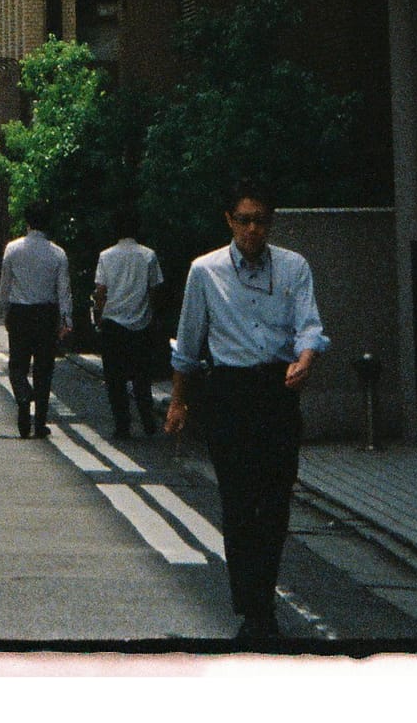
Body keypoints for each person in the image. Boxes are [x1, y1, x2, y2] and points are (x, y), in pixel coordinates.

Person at [165, 184, 327, 646]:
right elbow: (189, 340)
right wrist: (179, 401)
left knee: (274, 505)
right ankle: (253, 609)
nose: (253, 229)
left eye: (261, 220)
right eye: (245, 220)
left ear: (270, 224)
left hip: (277, 390)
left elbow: (310, 323)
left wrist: (307, 356)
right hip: (229, 394)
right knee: (239, 505)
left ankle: (262, 604)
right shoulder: (205, 271)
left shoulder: (293, 266)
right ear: (230, 221)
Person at [0, 200, 74, 436]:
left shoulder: (13, 249)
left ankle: (23, 398)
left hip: (20, 312)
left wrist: (5, 311)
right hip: (46, 314)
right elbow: (64, 290)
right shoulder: (58, 253)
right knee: (44, 368)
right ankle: (40, 423)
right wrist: (66, 320)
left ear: (27, 221)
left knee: (17, 365)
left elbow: (5, 285)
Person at [92, 214, 165, 440]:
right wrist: (154, 316)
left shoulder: (106, 256)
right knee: (141, 376)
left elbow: (101, 291)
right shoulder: (148, 256)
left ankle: (122, 424)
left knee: (115, 379)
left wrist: (98, 316)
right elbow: (154, 289)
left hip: (113, 323)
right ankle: (147, 419)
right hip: (141, 323)